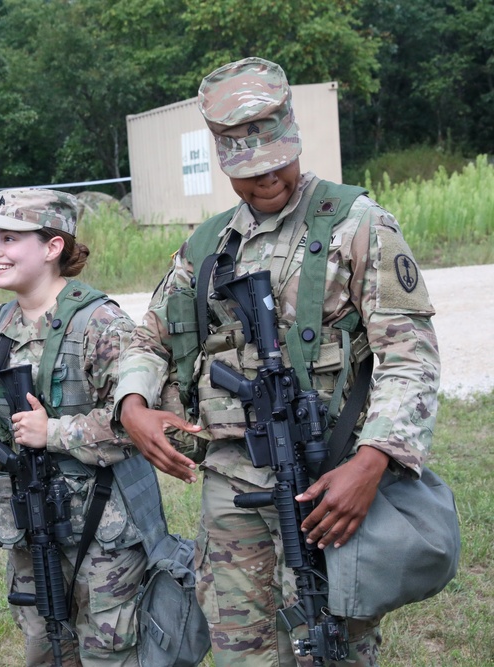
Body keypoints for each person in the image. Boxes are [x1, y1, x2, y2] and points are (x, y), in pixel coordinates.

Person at [114, 57, 440, 666]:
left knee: (335, 643)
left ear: (294, 140)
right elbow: (148, 338)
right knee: (244, 652)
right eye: (247, 170)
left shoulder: (357, 224)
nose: (266, 180)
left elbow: (410, 358)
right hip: (232, 493)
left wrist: (373, 462)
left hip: (330, 482)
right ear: (222, 162)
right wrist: (133, 405)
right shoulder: (207, 245)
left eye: (276, 162)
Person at [0, 188, 169, 666]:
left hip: (104, 532)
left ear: (52, 246)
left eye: (9, 238)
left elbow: (139, 422)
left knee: (111, 652)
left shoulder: (99, 322)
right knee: (45, 650)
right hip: (31, 524)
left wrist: (56, 433)